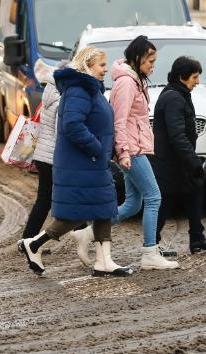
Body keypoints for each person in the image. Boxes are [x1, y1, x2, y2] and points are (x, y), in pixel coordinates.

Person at [18, 46, 131, 277]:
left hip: (92, 161)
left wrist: (107, 150)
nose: (105, 69)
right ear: (87, 66)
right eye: (101, 64)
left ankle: (104, 261)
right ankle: (34, 244)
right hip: (82, 162)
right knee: (78, 213)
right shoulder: (80, 89)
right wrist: (97, 148)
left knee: (102, 208)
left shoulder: (91, 88)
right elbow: (72, 125)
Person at [109, 36, 179, 270]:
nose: (153, 66)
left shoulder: (135, 80)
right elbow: (119, 121)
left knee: (132, 204)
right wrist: (123, 152)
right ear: (138, 57)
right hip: (131, 150)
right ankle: (150, 253)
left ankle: (90, 232)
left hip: (135, 147)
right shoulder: (127, 83)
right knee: (154, 197)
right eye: (150, 61)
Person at [19, 60, 94, 267]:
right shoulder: (63, 98)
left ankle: (27, 239)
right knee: (71, 198)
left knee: (45, 200)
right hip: (54, 157)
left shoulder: (50, 92)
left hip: (43, 155)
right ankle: (79, 234)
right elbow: (62, 132)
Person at [152, 56, 206, 254]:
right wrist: (194, 162)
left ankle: (197, 239)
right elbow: (177, 135)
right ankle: (152, 246)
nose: (197, 81)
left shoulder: (178, 93)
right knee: (164, 202)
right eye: (194, 77)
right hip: (170, 162)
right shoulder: (174, 98)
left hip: (178, 160)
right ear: (181, 77)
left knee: (194, 191)